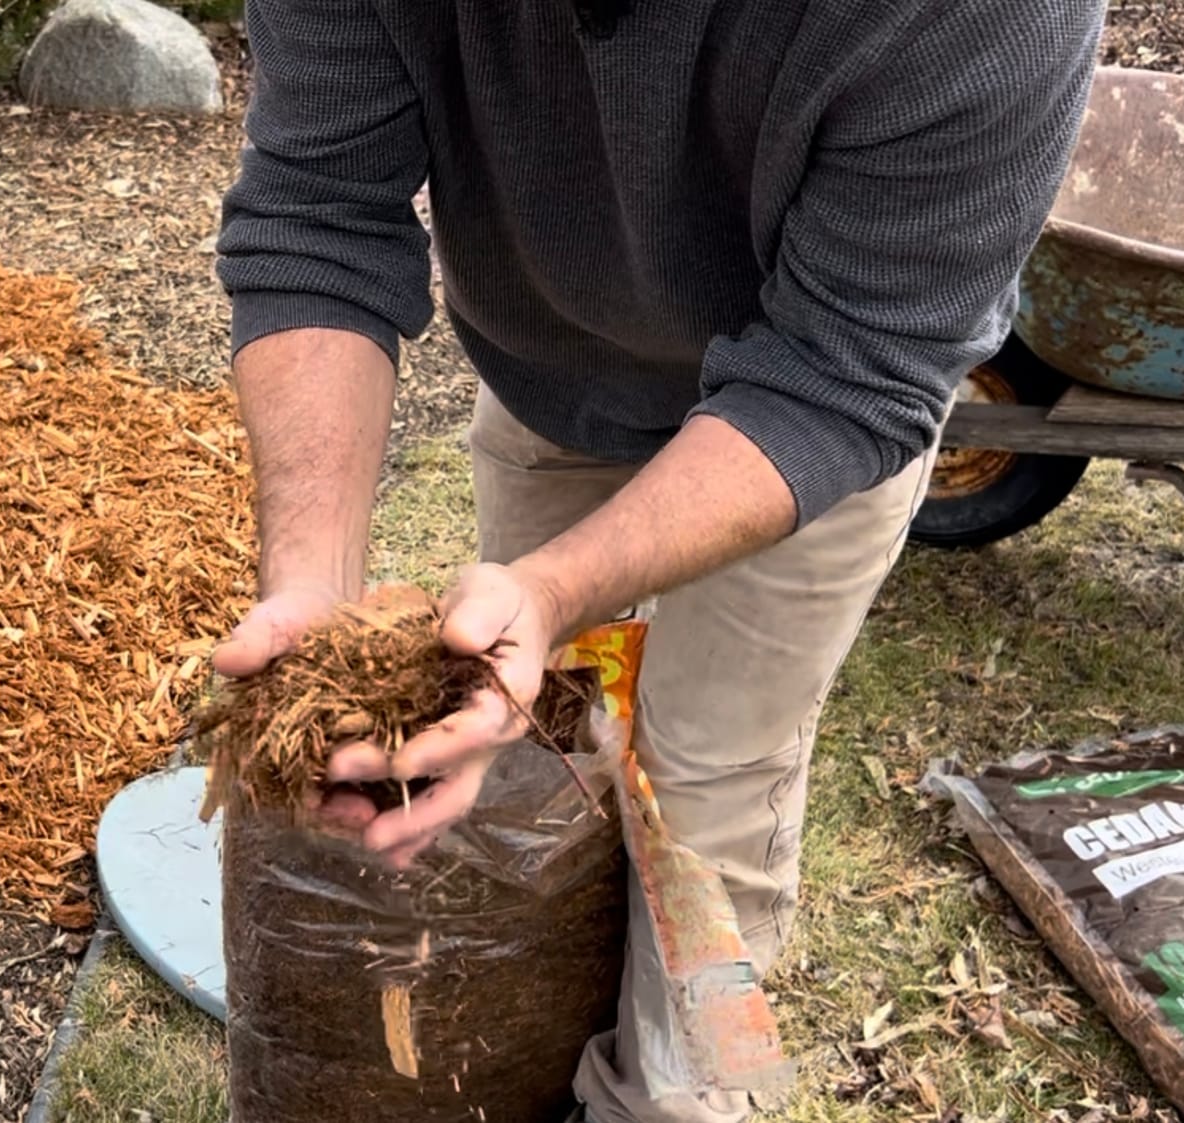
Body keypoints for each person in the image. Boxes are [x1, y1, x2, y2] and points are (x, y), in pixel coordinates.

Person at [206, 0, 1105, 1119]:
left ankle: (668, 1099)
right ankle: (536, 1057)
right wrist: (313, 592)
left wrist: (547, 589)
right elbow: (318, 216)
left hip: (808, 420)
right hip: (551, 368)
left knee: (701, 801)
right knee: (550, 760)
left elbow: (851, 365)